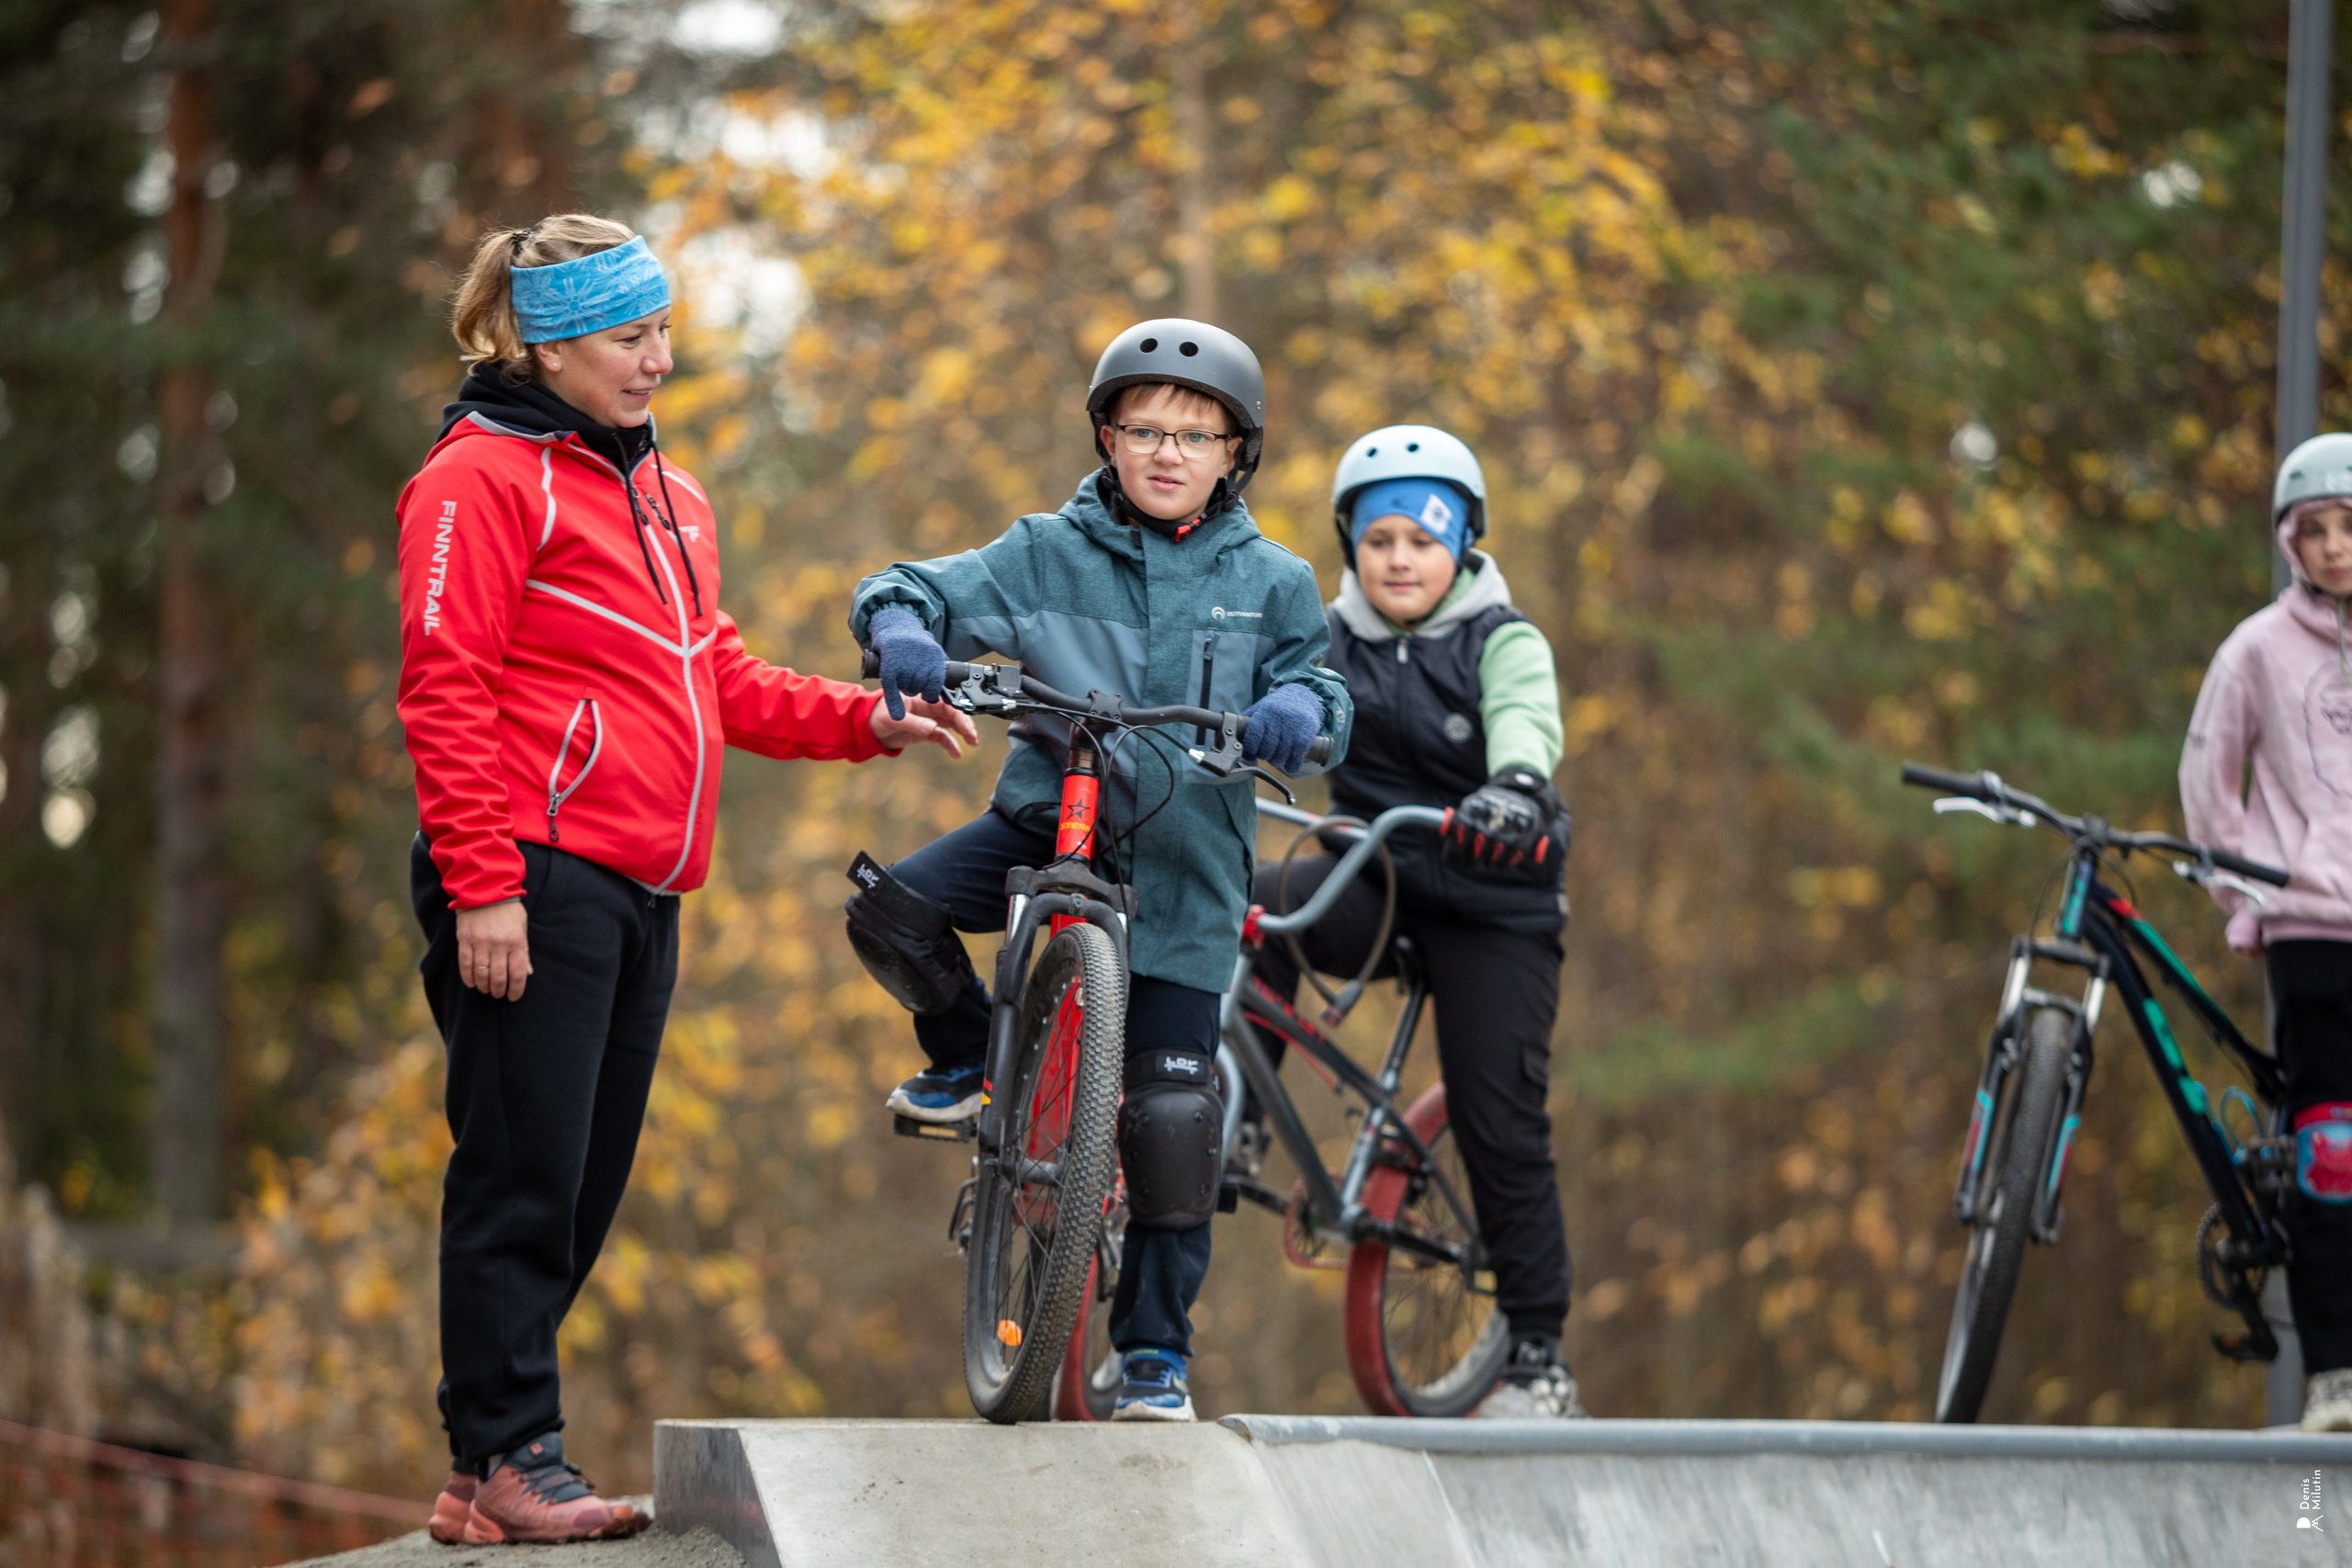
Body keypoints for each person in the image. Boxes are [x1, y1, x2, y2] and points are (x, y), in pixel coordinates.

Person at [396, 214, 975, 1541]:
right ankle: (507, 1450)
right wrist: (484, 882)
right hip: (529, 870)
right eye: (627, 336)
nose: (658, 358)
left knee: (583, 1177)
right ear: (547, 340)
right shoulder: (479, 477)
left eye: (664, 329)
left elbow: (716, 675)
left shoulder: (669, 491)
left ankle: (483, 1466)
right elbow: (445, 686)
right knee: (520, 1169)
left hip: (643, 886)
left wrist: (860, 717)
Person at [844, 319, 1351, 1420]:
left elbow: (1327, 693)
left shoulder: (1275, 581)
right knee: (892, 913)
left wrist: (1298, 710)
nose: (1168, 453)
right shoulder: (1044, 552)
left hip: (1182, 872)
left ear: (1234, 454)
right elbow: (903, 586)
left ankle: (1155, 1357)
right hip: (1045, 824)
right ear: (1106, 437)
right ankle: (975, 1058)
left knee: (1172, 1124)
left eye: (1196, 435)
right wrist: (902, 637)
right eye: (1144, 429)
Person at [1245, 424, 1582, 1419]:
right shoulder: (1329, 640)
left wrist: (1516, 786)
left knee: (1500, 1118)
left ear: (1462, 547)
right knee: (1252, 904)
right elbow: (1277, 706)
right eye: (1380, 539)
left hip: (1494, 898)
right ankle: (1239, 1131)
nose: (1399, 559)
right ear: (1352, 544)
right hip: (1377, 874)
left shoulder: (1502, 638)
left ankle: (1537, 1354)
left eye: (1422, 542)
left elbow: (1526, 718)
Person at [2179, 431, 2352, 1433]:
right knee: (2331, 1152)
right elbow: (2210, 769)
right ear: (2291, 543)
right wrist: (2237, 889)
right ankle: (2335, 1377)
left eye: (2347, 530)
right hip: (2312, 932)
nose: (2334, 548)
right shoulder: (2256, 648)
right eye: (2314, 533)